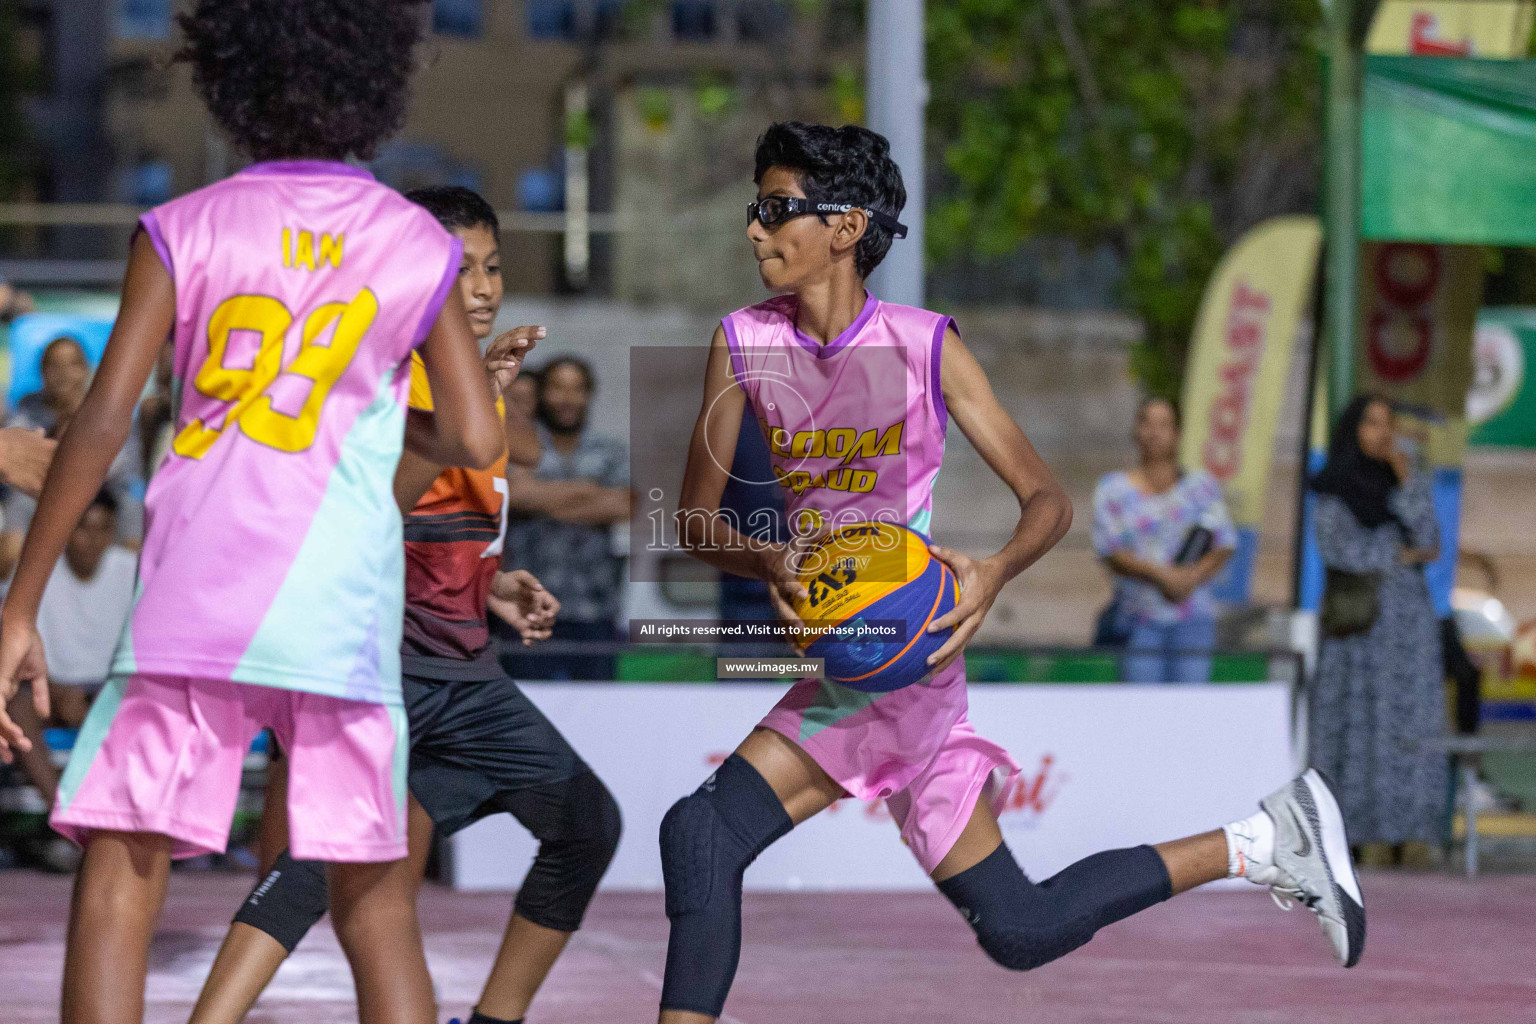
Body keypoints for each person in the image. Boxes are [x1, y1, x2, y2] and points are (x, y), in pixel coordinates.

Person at [661, 121, 1364, 1024]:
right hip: (853, 650)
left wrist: (991, 573)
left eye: (775, 209)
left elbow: (1049, 501)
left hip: (901, 654)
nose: (754, 230)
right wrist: (762, 553)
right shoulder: (744, 343)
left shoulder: (924, 348)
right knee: (1020, 926)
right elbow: (693, 519)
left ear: (844, 228)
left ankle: (1267, 840)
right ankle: (1264, 840)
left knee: (703, 835)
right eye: (754, 210)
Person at [0, 4, 507, 1024]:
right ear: (376, 86)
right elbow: (474, 438)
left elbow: (100, 424)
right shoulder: (414, 241)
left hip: (196, 590)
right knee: (372, 893)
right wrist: (368, 449)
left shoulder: (184, 226)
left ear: (231, 82)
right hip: (335, 601)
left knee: (124, 862)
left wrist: (22, 603)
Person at [185, 185, 622, 1024]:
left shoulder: (479, 391)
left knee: (586, 824)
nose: (486, 287)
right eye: (462, 271)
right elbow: (369, 509)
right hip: (375, 670)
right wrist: (468, 414)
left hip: (464, 674)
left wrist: (493, 585)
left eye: (494, 268)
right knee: (325, 875)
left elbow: (446, 529)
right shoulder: (378, 382)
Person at [1309, 394, 1446, 863]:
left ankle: (1411, 833)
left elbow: (1430, 541)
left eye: (1388, 423)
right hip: (1360, 629)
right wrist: (1397, 552)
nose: (1382, 433)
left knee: (1409, 721)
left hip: (1409, 628)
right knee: (1360, 725)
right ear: (1352, 431)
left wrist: (1406, 477)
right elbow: (1338, 549)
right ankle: (1358, 835)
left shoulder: (1405, 480)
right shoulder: (1334, 488)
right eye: (1371, 423)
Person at [503, 356, 633, 679]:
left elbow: (623, 505)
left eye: (577, 389)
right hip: (528, 609)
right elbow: (514, 496)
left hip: (595, 609)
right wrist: (588, 491)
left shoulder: (609, 450)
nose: (567, 399)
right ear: (543, 393)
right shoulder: (520, 446)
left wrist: (540, 496)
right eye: (558, 388)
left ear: (589, 395)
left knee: (598, 718)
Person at [1092, 397, 1237, 682]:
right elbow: (1110, 551)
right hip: (1138, 619)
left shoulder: (1200, 487)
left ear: (1178, 434)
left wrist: (1191, 577)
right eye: (1147, 423)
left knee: (1190, 710)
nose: (1155, 432)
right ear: (1136, 431)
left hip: (1193, 619)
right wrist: (1160, 576)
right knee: (1142, 710)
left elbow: (1224, 542)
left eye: (1164, 424)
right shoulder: (1113, 490)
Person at [2, 337, 143, 572]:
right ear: (42, 372)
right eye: (54, 366)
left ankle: (129, 582)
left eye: (72, 365)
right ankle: (11, 580)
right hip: (42, 490)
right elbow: (18, 457)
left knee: (131, 507)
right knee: (18, 504)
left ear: (86, 369)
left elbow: (124, 467)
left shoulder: (111, 408)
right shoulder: (28, 408)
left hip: (101, 492)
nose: (63, 374)